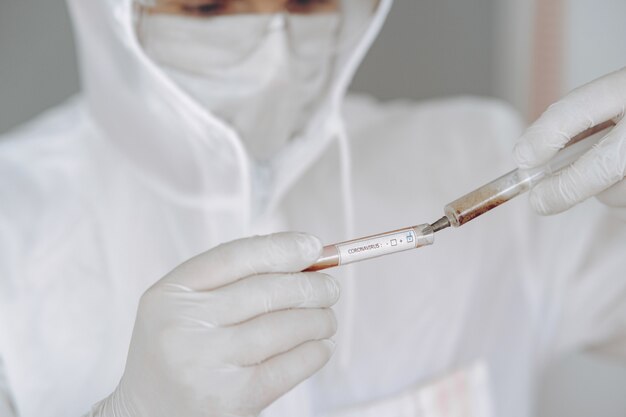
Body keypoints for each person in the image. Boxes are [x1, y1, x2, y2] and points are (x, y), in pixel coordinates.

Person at [0, 0, 625, 416]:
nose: (274, 45)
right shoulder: (16, 217)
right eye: (210, 4)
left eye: (303, 1)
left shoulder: (475, 152)